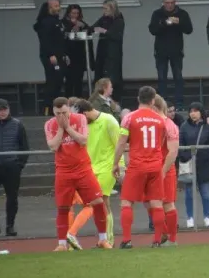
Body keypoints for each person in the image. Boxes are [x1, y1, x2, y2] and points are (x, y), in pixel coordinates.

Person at [44, 97, 112, 251]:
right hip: (63, 171)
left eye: (64, 112)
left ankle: (103, 239)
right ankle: (62, 243)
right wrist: (61, 128)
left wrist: (67, 127)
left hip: (83, 169)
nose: (61, 116)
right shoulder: (49, 124)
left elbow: (82, 140)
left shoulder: (80, 118)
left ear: (69, 109)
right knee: (63, 207)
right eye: (58, 113)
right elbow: (53, 146)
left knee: (98, 202)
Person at [113, 86, 167, 248]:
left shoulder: (129, 118)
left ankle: (127, 240)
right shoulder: (160, 119)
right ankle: (157, 240)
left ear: (138, 99)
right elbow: (161, 141)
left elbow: (122, 142)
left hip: (137, 165)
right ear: (152, 101)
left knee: (127, 202)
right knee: (156, 202)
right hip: (155, 165)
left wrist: (115, 163)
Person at [66, 98, 120, 246]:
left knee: (100, 201)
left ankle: (106, 239)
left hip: (107, 168)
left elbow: (119, 143)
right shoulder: (83, 125)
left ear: (85, 113)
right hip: (89, 169)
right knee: (99, 205)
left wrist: (119, 165)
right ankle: (105, 238)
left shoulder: (108, 120)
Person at [0, 99, 29, 237]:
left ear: (9, 109)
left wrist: (19, 164)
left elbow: (25, 147)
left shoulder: (17, 125)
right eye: (0, 110)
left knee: (12, 197)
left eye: (5, 109)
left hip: (12, 167)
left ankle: (10, 225)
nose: (2, 112)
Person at [149, 0, 194, 110]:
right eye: (167, 3)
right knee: (162, 78)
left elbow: (189, 29)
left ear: (175, 2)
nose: (169, 5)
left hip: (176, 51)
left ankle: (179, 103)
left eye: (172, 3)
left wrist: (179, 23)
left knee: (178, 77)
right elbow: (152, 30)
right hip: (161, 51)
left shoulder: (182, 14)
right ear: (163, 3)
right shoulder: (157, 14)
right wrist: (165, 23)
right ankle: (162, 104)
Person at [179, 102, 209, 228]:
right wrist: (186, 156)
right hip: (190, 165)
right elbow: (181, 144)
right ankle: (190, 218)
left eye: (196, 111)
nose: (193, 113)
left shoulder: (207, 125)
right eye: (191, 111)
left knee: (206, 193)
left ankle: (207, 217)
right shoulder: (184, 126)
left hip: (205, 163)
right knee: (189, 194)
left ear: (201, 112)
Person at [152, 95, 180, 246]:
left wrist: (163, 171)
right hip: (152, 168)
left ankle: (172, 239)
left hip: (165, 169)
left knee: (167, 203)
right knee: (150, 202)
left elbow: (172, 152)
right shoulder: (155, 124)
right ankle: (163, 234)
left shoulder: (169, 125)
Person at [33, 0, 68, 115]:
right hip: (51, 56)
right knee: (52, 81)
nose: (58, 8)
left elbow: (59, 40)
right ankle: (47, 108)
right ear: (49, 8)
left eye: (59, 5)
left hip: (59, 55)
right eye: (56, 6)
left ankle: (57, 107)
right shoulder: (46, 22)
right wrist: (50, 54)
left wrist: (64, 55)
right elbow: (45, 40)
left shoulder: (57, 21)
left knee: (58, 81)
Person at [92, 0, 125, 103]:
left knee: (112, 76)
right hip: (103, 50)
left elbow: (117, 36)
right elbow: (93, 27)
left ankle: (114, 100)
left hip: (113, 53)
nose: (104, 10)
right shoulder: (103, 19)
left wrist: (105, 31)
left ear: (112, 8)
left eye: (106, 8)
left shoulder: (119, 20)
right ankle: (99, 99)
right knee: (100, 74)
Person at [62, 4, 94, 98]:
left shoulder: (81, 23)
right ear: (68, 13)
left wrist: (83, 26)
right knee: (69, 80)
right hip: (69, 54)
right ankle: (68, 100)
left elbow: (89, 30)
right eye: (73, 13)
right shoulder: (63, 22)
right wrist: (72, 26)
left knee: (78, 80)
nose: (75, 15)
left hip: (80, 55)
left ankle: (78, 100)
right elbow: (62, 36)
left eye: (77, 13)